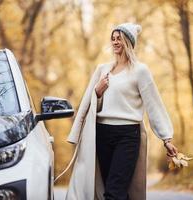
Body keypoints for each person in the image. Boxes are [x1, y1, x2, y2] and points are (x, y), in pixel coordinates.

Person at [65, 23, 178, 200]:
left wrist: (166, 138)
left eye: (119, 38)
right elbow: (88, 102)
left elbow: (154, 104)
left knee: (114, 191)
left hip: (127, 136)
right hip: (102, 134)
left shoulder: (140, 71)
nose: (115, 42)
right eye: (113, 38)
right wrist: (98, 91)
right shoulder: (103, 70)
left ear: (128, 42)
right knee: (110, 190)